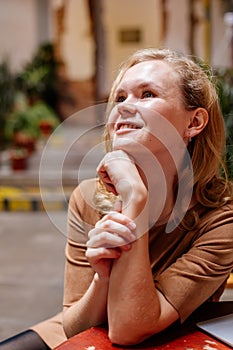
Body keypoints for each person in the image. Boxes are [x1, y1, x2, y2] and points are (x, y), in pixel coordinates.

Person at [1, 47, 233, 349]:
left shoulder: (220, 220)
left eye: (147, 94)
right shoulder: (87, 198)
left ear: (194, 122)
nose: (124, 107)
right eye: (120, 98)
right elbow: (75, 326)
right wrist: (103, 277)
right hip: (88, 333)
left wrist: (135, 196)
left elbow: (129, 329)